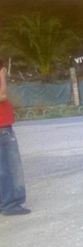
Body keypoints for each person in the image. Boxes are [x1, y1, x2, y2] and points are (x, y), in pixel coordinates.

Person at [0, 58, 30, 215]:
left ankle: (5, 201)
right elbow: (2, 96)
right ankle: (10, 204)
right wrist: (2, 75)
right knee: (9, 167)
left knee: (3, 167)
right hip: (1, 127)